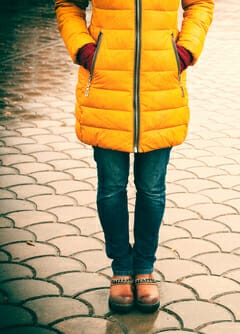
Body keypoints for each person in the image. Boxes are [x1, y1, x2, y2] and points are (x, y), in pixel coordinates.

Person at [55, 0, 214, 313]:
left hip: (160, 88)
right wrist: (86, 50)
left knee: (152, 188)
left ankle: (144, 269)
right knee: (111, 187)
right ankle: (120, 269)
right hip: (106, 87)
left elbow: (200, 5)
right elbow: (67, 5)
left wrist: (184, 52)